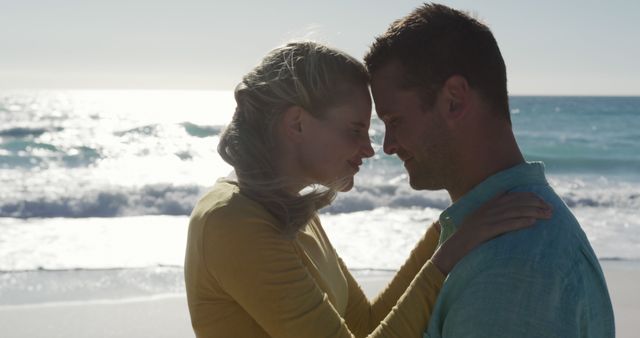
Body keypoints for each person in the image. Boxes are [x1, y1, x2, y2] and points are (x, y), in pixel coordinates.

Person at [184, 41, 551, 338]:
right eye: (355, 130)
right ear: (296, 123)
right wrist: (448, 255)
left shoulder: (290, 211)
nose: (370, 148)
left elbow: (364, 326)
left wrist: (449, 228)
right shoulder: (232, 222)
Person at [364, 3, 615, 338]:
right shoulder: (492, 235)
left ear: (454, 99)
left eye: (395, 122)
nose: (388, 145)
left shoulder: (512, 266)